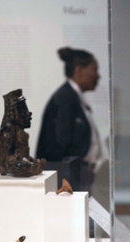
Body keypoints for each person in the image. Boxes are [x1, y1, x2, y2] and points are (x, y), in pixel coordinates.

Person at [36, 47, 102, 192]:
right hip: (67, 178)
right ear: (79, 71)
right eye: (94, 70)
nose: (98, 76)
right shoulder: (65, 98)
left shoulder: (71, 97)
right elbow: (58, 146)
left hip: (75, 175)